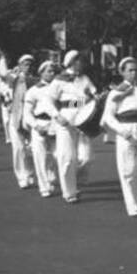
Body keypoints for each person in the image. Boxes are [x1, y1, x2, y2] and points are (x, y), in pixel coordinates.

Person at [101, 57, 137, 217]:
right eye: (130, 70)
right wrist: (122, 131)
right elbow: (108, 116)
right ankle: (132, 205)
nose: (134, 73)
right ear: (122, 72)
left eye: (136, 70)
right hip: (125, 131)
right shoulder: (116, 92)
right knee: (129, 171)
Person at [47, 50, 97, 204]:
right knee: (67, 158)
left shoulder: (85, 79)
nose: (83, 64)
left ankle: (76, 180)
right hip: (66, 121)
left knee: (86, 158)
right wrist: (57, 116)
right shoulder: (59, 80)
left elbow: (93, 94)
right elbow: (48, 101)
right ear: (72, 62)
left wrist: (96, 97)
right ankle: (70, 192)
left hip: (84, 121)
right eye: (80, 61)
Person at [23, 61, 60, 198]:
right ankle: (44, 187)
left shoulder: (60, 88)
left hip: (56, 125)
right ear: (41, 73)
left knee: (59, 156)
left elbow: (70, 103)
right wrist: (35, 126)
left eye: (53, 71)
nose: (52, 73)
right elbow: (27, 112)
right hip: (40, 124)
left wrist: (84, 100)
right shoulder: (33, 91)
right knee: (40, 157)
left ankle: (52, 177)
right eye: (49, 71)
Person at [5, 54, 36, 188]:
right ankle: (22, 176)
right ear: (19, 65)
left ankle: (30, 173)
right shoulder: (13, 78)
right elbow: (7, 82)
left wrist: (82, 102)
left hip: (33, 120)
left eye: (30, 64)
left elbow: (59, 102)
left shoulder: (36, 82)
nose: (28, 67)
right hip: (16, 117)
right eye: (25, 64)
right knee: (18, 148)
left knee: (33, 149)